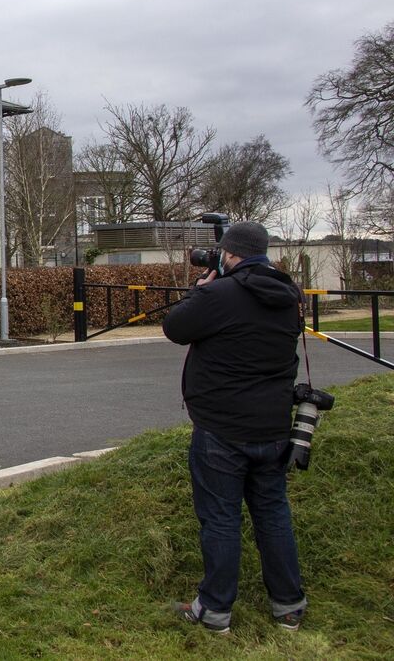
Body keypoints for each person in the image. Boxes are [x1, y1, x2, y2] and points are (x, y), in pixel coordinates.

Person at [161, 221, 306, 634]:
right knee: (273, 513)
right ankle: (288, 605)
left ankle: (215, 610)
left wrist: (202, 288)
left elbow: (175, 327)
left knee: (221, 519)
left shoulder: (221, 294)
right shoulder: (289, 295)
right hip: (275, 426)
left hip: (221, 429)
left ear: (228, 254)